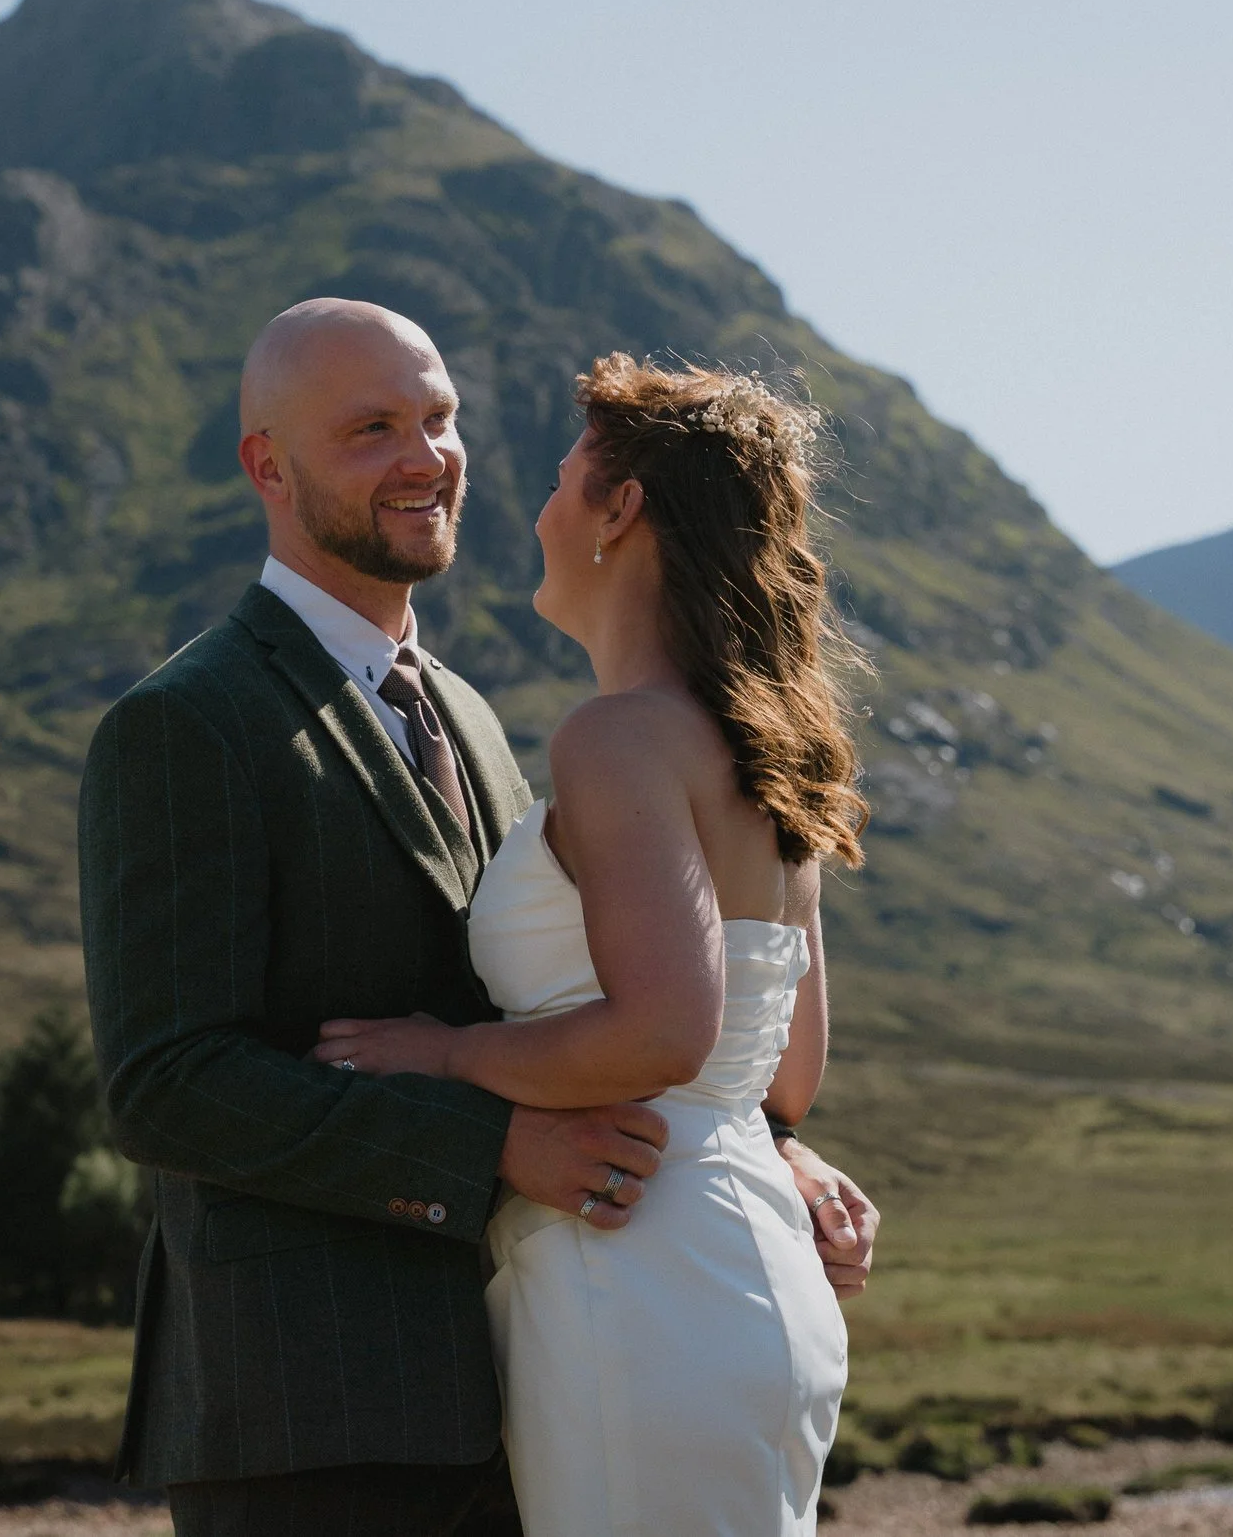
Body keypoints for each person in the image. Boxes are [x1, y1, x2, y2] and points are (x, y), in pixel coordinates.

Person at [80, 301, 875, 1537]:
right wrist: (484, 1145)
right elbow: (165, 1081)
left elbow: (594, 1002)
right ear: (267, 465)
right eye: (371, 428)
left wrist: (764, 1142)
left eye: (439, 418)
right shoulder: (185, 723)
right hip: (311, 1409)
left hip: (531, 1363)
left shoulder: (475, 718)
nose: (425, 455)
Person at [312, 352, 869, 1535]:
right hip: (753, 1266)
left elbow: (668, 1029)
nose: (538, 509)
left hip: (637, 1275)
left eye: (566, 481)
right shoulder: (772, 750)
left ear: (620, 512)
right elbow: (787, 1081)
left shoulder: (617, 738)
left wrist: (445, 1054)